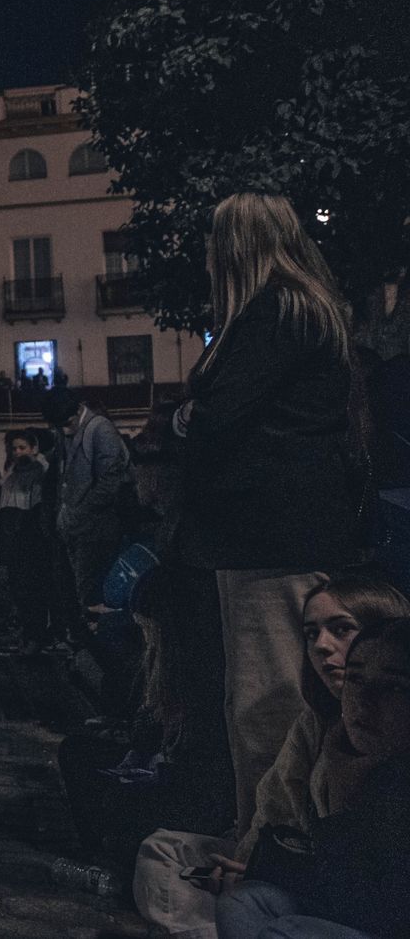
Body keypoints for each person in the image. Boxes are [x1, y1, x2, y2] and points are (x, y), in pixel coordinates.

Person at [175, 193, 357, 838]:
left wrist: (191, 413)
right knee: (296, 694)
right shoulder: (314, 308)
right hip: (303, 525)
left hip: (263, 534)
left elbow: (217, 412)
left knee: (265, 699)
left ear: (233, 246)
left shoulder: (271, 311)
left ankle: (262, 848)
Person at [132, 572, 410, 938]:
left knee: (284, 926)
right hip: (315, 876)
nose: (323, 646)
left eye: (341, 630)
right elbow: (275, 817)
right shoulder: (316, 725)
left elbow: (371, 889)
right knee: (186, 866)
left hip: (360, 901)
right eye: (312, 634)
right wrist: (248, 865)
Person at [216, 617, 410, 939]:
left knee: (290, 930)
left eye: (393, 687)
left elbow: (375, 908)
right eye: (356, 678)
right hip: (354, 904)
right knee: (244, 902)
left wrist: (344, 795)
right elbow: (333, 875)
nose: (364, 700)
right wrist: (255, 867)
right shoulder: (341, 747)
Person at [43, 387, 132, 626]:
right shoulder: (67, 431)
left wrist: (77, 514)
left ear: (78, 410)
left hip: (96, 529)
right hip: (76, 529)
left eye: (66, 422)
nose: (62, 428)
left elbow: (109, 483)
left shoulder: (100, 429)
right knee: (80, 593)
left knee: (93, 595)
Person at [0, 430, 54, 651]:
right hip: (13, 541)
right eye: (14, 448)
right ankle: (26, 634)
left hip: (30, 540)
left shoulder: (39, 472)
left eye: (22, 447)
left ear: (33, 448)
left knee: (33, 591)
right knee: (18, 591)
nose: (18, 452)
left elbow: (38, 509)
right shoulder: (12, 473)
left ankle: (36, 636)